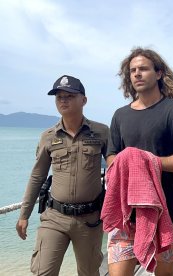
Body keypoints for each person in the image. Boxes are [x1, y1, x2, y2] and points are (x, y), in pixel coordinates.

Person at [105, 47, 173, 276]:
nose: (137, 74)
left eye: (144, 69)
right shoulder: (120, 115)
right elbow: (111, 156)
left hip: (168, 211)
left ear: (159, 73)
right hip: (126, 213)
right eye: (132, 70)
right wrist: (128, 162)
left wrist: (150, 162)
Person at [15, 75, 109, 276]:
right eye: (59, 97)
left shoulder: (102, 132)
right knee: (43, 271)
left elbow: (115, 170)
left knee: (89, 273)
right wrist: (24, 215)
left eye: (69, 96)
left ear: (83, 100)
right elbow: (37, 177)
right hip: (55, 217)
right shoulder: (48, 136)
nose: (63, 100)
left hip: (89, 219)